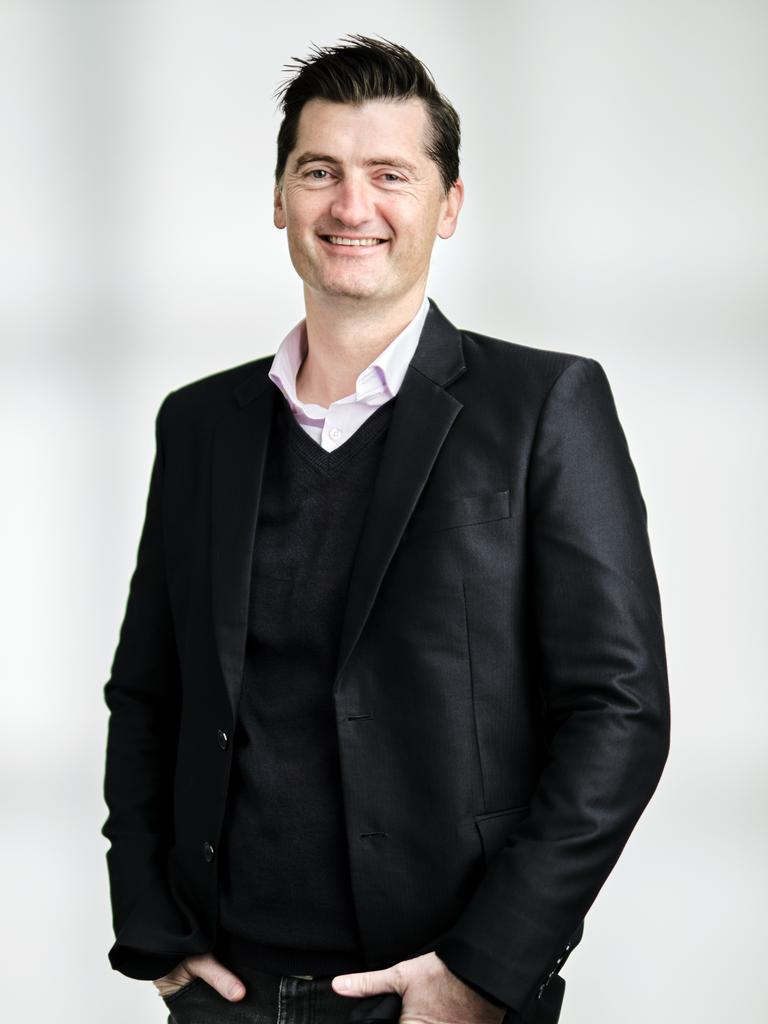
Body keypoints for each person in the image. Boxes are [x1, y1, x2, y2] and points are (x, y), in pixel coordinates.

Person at [101, 34, 671, 1024]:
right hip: (227, 995)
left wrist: (485, 970)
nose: (351, 206)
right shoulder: (198, 426)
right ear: (279, 198)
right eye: (319, 171)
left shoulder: (544, 406)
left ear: (449, 206)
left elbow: (619, 711)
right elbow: (150, 692)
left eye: (390, 175)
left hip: (436, 995)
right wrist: (151, 922)